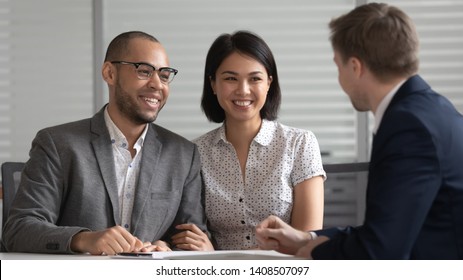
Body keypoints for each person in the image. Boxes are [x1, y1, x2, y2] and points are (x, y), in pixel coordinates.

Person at [256, 3, 463, 259]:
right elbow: (391, 228)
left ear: (355, 67)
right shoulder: (434, 109)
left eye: (338, 66)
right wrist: (306, 239)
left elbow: (381, 250)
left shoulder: (408, 127)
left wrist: (315, 252)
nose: (339, 77)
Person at [2, 31, 209, 255]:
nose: (157, 84)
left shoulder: (183, 154)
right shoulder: (58, 144)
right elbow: (19, 230)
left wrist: (165, 247)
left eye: (165, 75)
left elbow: (192, 239)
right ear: (110, 73)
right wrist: (84, 240)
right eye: (144, 71)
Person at [180, 30, 325, 250]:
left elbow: (306, 242)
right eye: (230, 78)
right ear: (213, 84)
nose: (243, 90)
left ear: (269, 83)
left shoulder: (300, 144)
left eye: (255, 78)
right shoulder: (194, 153)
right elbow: (191, 235)